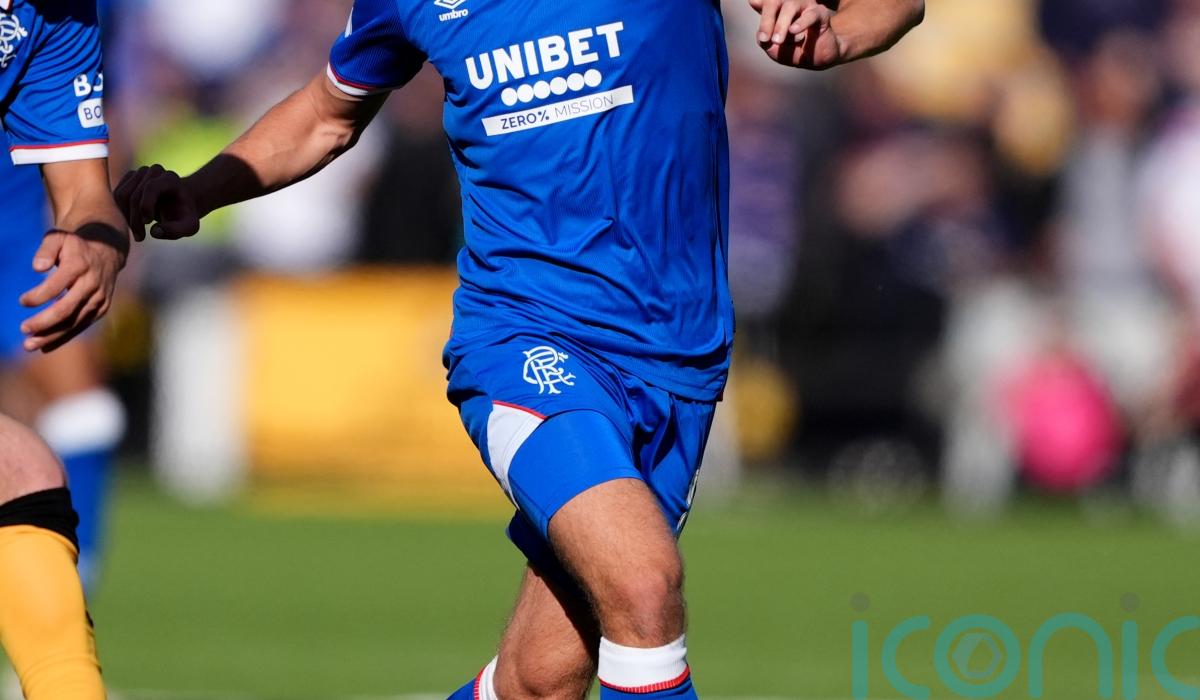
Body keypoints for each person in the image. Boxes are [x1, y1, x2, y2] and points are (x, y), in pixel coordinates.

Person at [114, 0, 922, 696]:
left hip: (680, 355)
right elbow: (327, 114)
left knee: (541, 681)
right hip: (525, 337)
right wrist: (199, 190)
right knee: (643, 584)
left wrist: (840, 32)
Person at [0, 0, 130, 697]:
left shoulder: (55, 15)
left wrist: (99, 245)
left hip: (19, 222)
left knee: (24, 469)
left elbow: (83, 188)